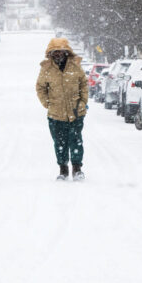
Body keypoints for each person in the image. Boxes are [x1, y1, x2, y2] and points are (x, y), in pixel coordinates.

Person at [35, 37, 88, 181]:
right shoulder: (46, 69)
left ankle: (77, 169)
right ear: (51, 54)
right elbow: (40, 87)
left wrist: (83, 102)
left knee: (76, 140)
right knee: (59, 142)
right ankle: (63, 169)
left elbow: (83, 84)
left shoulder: (75, 66)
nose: (58, 54)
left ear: (66, 52)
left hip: (76, 112)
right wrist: (47, 103)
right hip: (55, 114)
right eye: (55, 52)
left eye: (60, 52)